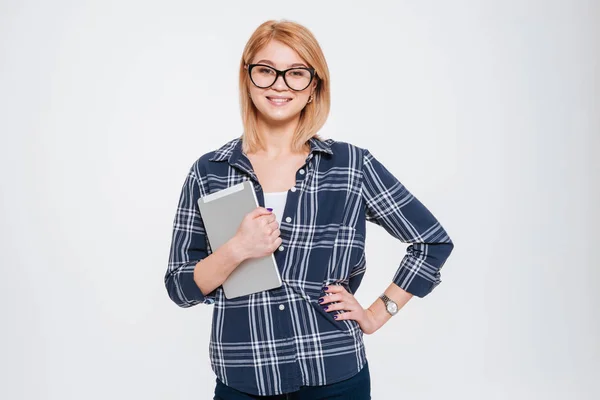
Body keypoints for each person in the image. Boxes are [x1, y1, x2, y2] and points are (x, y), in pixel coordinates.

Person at [165, 19, 454, 400]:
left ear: (314, 85)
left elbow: (431, 242)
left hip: (334, 375)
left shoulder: (351, 165)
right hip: (244, 379)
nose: (280, 84)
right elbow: (180, 287)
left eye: (296, 73)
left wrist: (378, 313)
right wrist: (237, 249)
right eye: (266, 71)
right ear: (248, 78)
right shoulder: (210, 172)